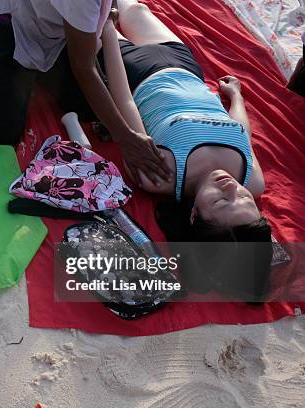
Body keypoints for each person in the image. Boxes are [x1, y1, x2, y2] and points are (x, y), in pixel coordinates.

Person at [98, 0, 272, 296]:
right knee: (137, 10)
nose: (231, 188)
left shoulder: (160, 176)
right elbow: (242, 132)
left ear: (193, 215)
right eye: (245, 201)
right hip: (186, 66)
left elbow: (124, 101)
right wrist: (236, 98)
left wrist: (108, 34)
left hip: (136, 72)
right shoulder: (252, 181)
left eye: (221, 202)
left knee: (103, 11)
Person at [0, 0, 171, 186]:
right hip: (13, 13)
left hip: (53, 19)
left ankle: (39, 61)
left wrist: (111, 9)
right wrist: (126, 138)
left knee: (89, 108)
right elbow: (83, 67)